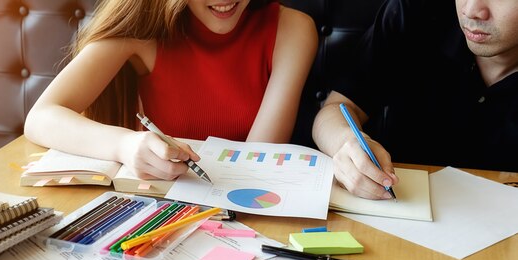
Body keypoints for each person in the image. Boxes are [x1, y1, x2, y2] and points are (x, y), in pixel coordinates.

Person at [24, 0, 317, 181]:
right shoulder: (144, 25)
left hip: (237, 210)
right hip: (158, 204)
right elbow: (41, 118)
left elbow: (255, 163)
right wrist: (125, 145)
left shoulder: (292, 29)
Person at [312, 0, 518, 200]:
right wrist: (347, 142)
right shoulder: (415, 11)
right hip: (398, 209)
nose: (471, 10)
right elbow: (336, 109)